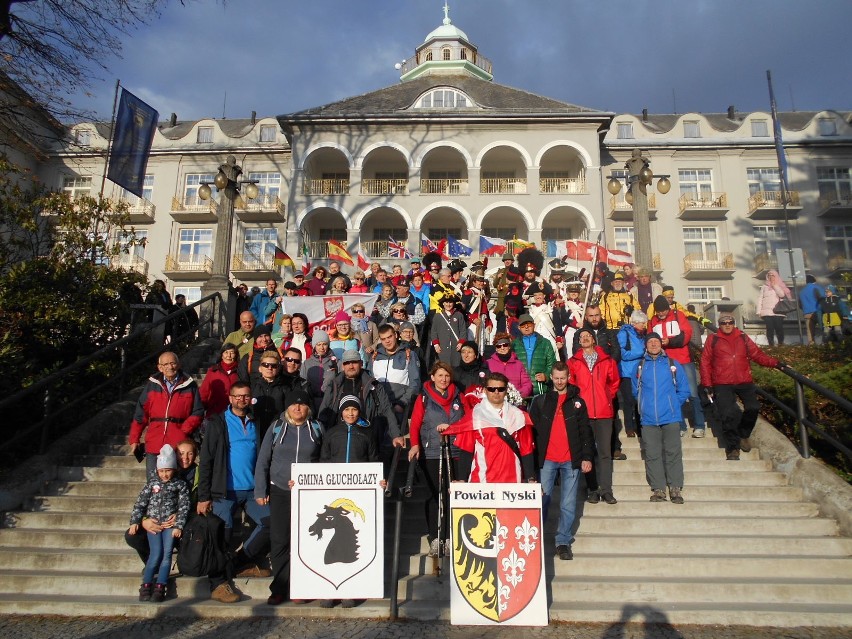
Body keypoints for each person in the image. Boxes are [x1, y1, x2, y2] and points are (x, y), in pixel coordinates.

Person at [197, 382, 272, 595]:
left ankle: (240, 562)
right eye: (237, 396)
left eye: (246, 396)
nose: (242, 399)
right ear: (230, 398)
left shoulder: (256, 421)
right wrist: (204, 496)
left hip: (252, 490)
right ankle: (218, 583)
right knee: (222, 535)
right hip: (224, 491)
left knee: (271, 523)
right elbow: (206, 460)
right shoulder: (217, 423)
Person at [254, 389, 323, 606]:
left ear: (308, 408)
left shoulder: (317, 428)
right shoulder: (276, 428)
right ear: (288, 407)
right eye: (294, 404)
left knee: (305, 541)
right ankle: (280, 587)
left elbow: (323, 460)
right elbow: (264, 459)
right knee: (280, 540)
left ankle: (301, 587)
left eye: (302, 404)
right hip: (280, 490)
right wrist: (260, 489)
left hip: (307, 493)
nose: (297, 408)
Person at [528, 362, 594, 561]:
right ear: (551, 377)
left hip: (570, 459)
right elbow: (531, 431)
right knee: (542, 500)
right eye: (556, 378)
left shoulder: (578, 402)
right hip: (547, 459)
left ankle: (562, 541)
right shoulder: (541, 400)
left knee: (567, 504)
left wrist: (587, 457)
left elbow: (586, 433)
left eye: (562, 378)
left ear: (568, 377)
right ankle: (534, 538)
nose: (559, 381)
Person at [700, 313, 782, 461]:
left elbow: (757, 354)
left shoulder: (742, 337)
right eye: (724, 322)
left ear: (734, 323)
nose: (727, 325)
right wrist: (707, 383)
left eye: (730, 322)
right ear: (719, 325)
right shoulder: (713, 339)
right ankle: (732, 448)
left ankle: (743, 434)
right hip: (722, 382)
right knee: (727, 414)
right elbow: (705, 361)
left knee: (753, 407)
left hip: (744, 380)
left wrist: (776, 363)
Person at [408, 361, 464, 557]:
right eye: (440, 375)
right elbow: (415, 423)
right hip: (431, 451)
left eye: (447, 375)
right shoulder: (424, 398)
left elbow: (466, 421)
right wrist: (415, 444)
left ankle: (449, 536)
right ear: (432, 377)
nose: (444, 379)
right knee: (434, 495)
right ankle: (434, 538)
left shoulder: (459, 395)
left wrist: (453, 430)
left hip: (456, 451)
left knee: (451, 495)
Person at [439, 372, 535, 483]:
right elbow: (466, 450)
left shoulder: (519, 416)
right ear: (485, 390)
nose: (496, 392)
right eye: (491, 389)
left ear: (506, 391)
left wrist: (531, 478)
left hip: (512, 480)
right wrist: (462, 479)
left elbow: (526, 450)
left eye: (501, 389)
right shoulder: (475, 415)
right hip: (482, 480)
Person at [129, 444, 190, 603]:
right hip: (154, 524)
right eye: (162, 471)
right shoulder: (152, 483)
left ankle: (161, 585)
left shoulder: (180, 484)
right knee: (156, 554)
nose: (164, 474)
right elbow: (141, 503)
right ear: (157, 470)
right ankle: (146, 584)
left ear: (174, 469)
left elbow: (184, 506)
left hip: (169, 526)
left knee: (167, 554)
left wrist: (179, 525)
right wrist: (136, 520)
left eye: (168, 470)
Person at [632, 333, 690, 503]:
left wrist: (672, 404)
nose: (653, 344)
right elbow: (635, 391)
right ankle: (658, 489)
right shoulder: (640, 366)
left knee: (673, 453)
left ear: (661, 344)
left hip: (670, 417)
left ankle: (675, 488)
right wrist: (644, 405)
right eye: (650, 342)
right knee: (652, 454)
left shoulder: (672, 364)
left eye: (656, 341)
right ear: (646, 345)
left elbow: (684, 389)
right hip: (649, 419)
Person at [124, 439, 199, 566]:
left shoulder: (200, 474)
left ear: (195, 455)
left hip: (182, 524)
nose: (185, 457)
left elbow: (203, 504)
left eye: (190, 453)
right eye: (181, 453)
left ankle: (181, 558)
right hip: (157, 520)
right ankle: (152, 563)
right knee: (132, 536)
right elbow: (145, 501)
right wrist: (144, 520)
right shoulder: (161, 474)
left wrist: (180, 517)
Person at [128, 352, 204, 477]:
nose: (170, 367)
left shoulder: (190, 385)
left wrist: (184, 430)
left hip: (179, 443)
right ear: (160, 367)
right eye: (166, 364)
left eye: (173, 363)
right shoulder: (152, 385)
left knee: (179, 482)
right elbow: (140, 414)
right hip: (154, 441)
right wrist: (134, 438)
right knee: (154, 483)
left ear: (179, 364)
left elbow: (198, 411)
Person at [567, 328, 620, 505]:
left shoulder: (606, 360)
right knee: (587, 454)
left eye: (587, 336)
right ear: (578, 341)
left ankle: (606, 490)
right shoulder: (573, 362)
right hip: (584, 414)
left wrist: (606, 397)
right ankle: (592, 489)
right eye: (581, 337)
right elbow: (571, 384)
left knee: (605, 453)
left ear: (594, 339)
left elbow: (614, 382)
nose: (584, 339)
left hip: (604, 412)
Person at [317, 349, 402, 448]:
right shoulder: (334, 385)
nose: (351, 366)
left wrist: (396, 435)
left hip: (367, 438)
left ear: (361, 363)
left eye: (354, 362)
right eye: (347, 363)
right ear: (343, 365)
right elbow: (324, 411)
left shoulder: (374, 385)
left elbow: (387, 410)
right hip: (339, 438)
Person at [649, 295, 705, 438]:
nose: (661, 314)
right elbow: (650, 339)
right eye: (658, 311)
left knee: (692, 392)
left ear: (668, 309)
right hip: (666, 361)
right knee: (673, 394)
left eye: (663, 311)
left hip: (683, 359)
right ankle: (680, 425)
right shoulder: (653, 321)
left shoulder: (678, 315)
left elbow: (687, 334)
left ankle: (699, 425)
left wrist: (670, 342)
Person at [368, 323, 421, 438]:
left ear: (396, 335)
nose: (387, 341)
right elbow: (368, 382)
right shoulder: (375, 357)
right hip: (378, 409)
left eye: (389, 337)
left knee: (393, 445)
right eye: (383, 339)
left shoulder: (409, 354)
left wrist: (402, 404)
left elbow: (415, 383)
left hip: (398, 408)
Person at [616, 311, 648, 438]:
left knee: (638, 400)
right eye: (642, 323)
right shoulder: (624, 333)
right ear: (635, 322)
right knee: (629, 400)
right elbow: (623, 353)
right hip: (626, 372)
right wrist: (642, 352)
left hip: (639, 372)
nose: (644, 325)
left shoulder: (642, 335)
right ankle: (629, 427)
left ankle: (639, 426)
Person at [513, 313, 556, 396]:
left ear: (534, 325)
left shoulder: (545, 343)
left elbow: (552, 364)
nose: (526, 327)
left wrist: (546, 376)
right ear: (519, 328)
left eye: (528, 324)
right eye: (523, 325)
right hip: (521, 389)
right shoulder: (514, 344)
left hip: (540, 388)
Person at [199, 343, 240, 420]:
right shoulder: (213, 371)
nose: (229, 355)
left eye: (232, 352)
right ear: (222, 355)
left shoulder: (240, 371)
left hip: (235, 413)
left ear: (236, 355)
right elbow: (204, 392)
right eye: (226, 352)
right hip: (215, 413)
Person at [250, 351, 287, 434]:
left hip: (277, 430)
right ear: (260, 368)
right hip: (255, 429)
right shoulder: (252, 386)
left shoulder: (284, 388)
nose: (269, 368)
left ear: (277, 369)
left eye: (273, 366)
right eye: (266, 365)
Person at [486, 332, 533, 398]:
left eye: (505, 345)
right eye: (499, 346)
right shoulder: (488, 363)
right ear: (496, 348)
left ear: (509, 346)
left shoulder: (518, 364)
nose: (502, 348)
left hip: (515, 401)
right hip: (495, 400)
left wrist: (517, 395)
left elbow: (527, 384)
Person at [301, 330, 338, 412]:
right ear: (314, 346)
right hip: (311, 402)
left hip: (330, 402)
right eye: (318, 344)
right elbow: (302, 383)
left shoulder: (335, 362)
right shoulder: (307, 363)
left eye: (324, 344)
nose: (322, 348)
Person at [757, 269, 792, 346]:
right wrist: (759, 311)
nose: (771, 277)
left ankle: (780, 343)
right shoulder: (764, 286)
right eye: (769, 275)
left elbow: (782, 295)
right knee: (769, 329)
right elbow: (760, 299)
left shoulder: (780, 285)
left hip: (778, 311)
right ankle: (771, 345)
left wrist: (774, 286)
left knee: (779, 328)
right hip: (767, 312)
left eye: (773, 275)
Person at [430, 293, 466, 368]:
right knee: (443, 367)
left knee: (456, 367)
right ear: (443, 303)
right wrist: (436, 344)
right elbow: (434, 331)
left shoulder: (459, 315)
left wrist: (461, 342)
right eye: (446, 302)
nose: (448, 304)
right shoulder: (438, 316)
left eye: (450, 302)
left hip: (456, 347)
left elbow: (463, 330)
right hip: (442, 347)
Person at [799, 275, 824, 345]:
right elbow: (823, 299)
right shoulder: (817, 288)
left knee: (810, 330)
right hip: (818, 312)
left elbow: (800, 304)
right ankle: (825, 343)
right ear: (814, 281)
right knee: (823, 328)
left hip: (807, 313)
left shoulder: (802, 291)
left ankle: (811, 344)